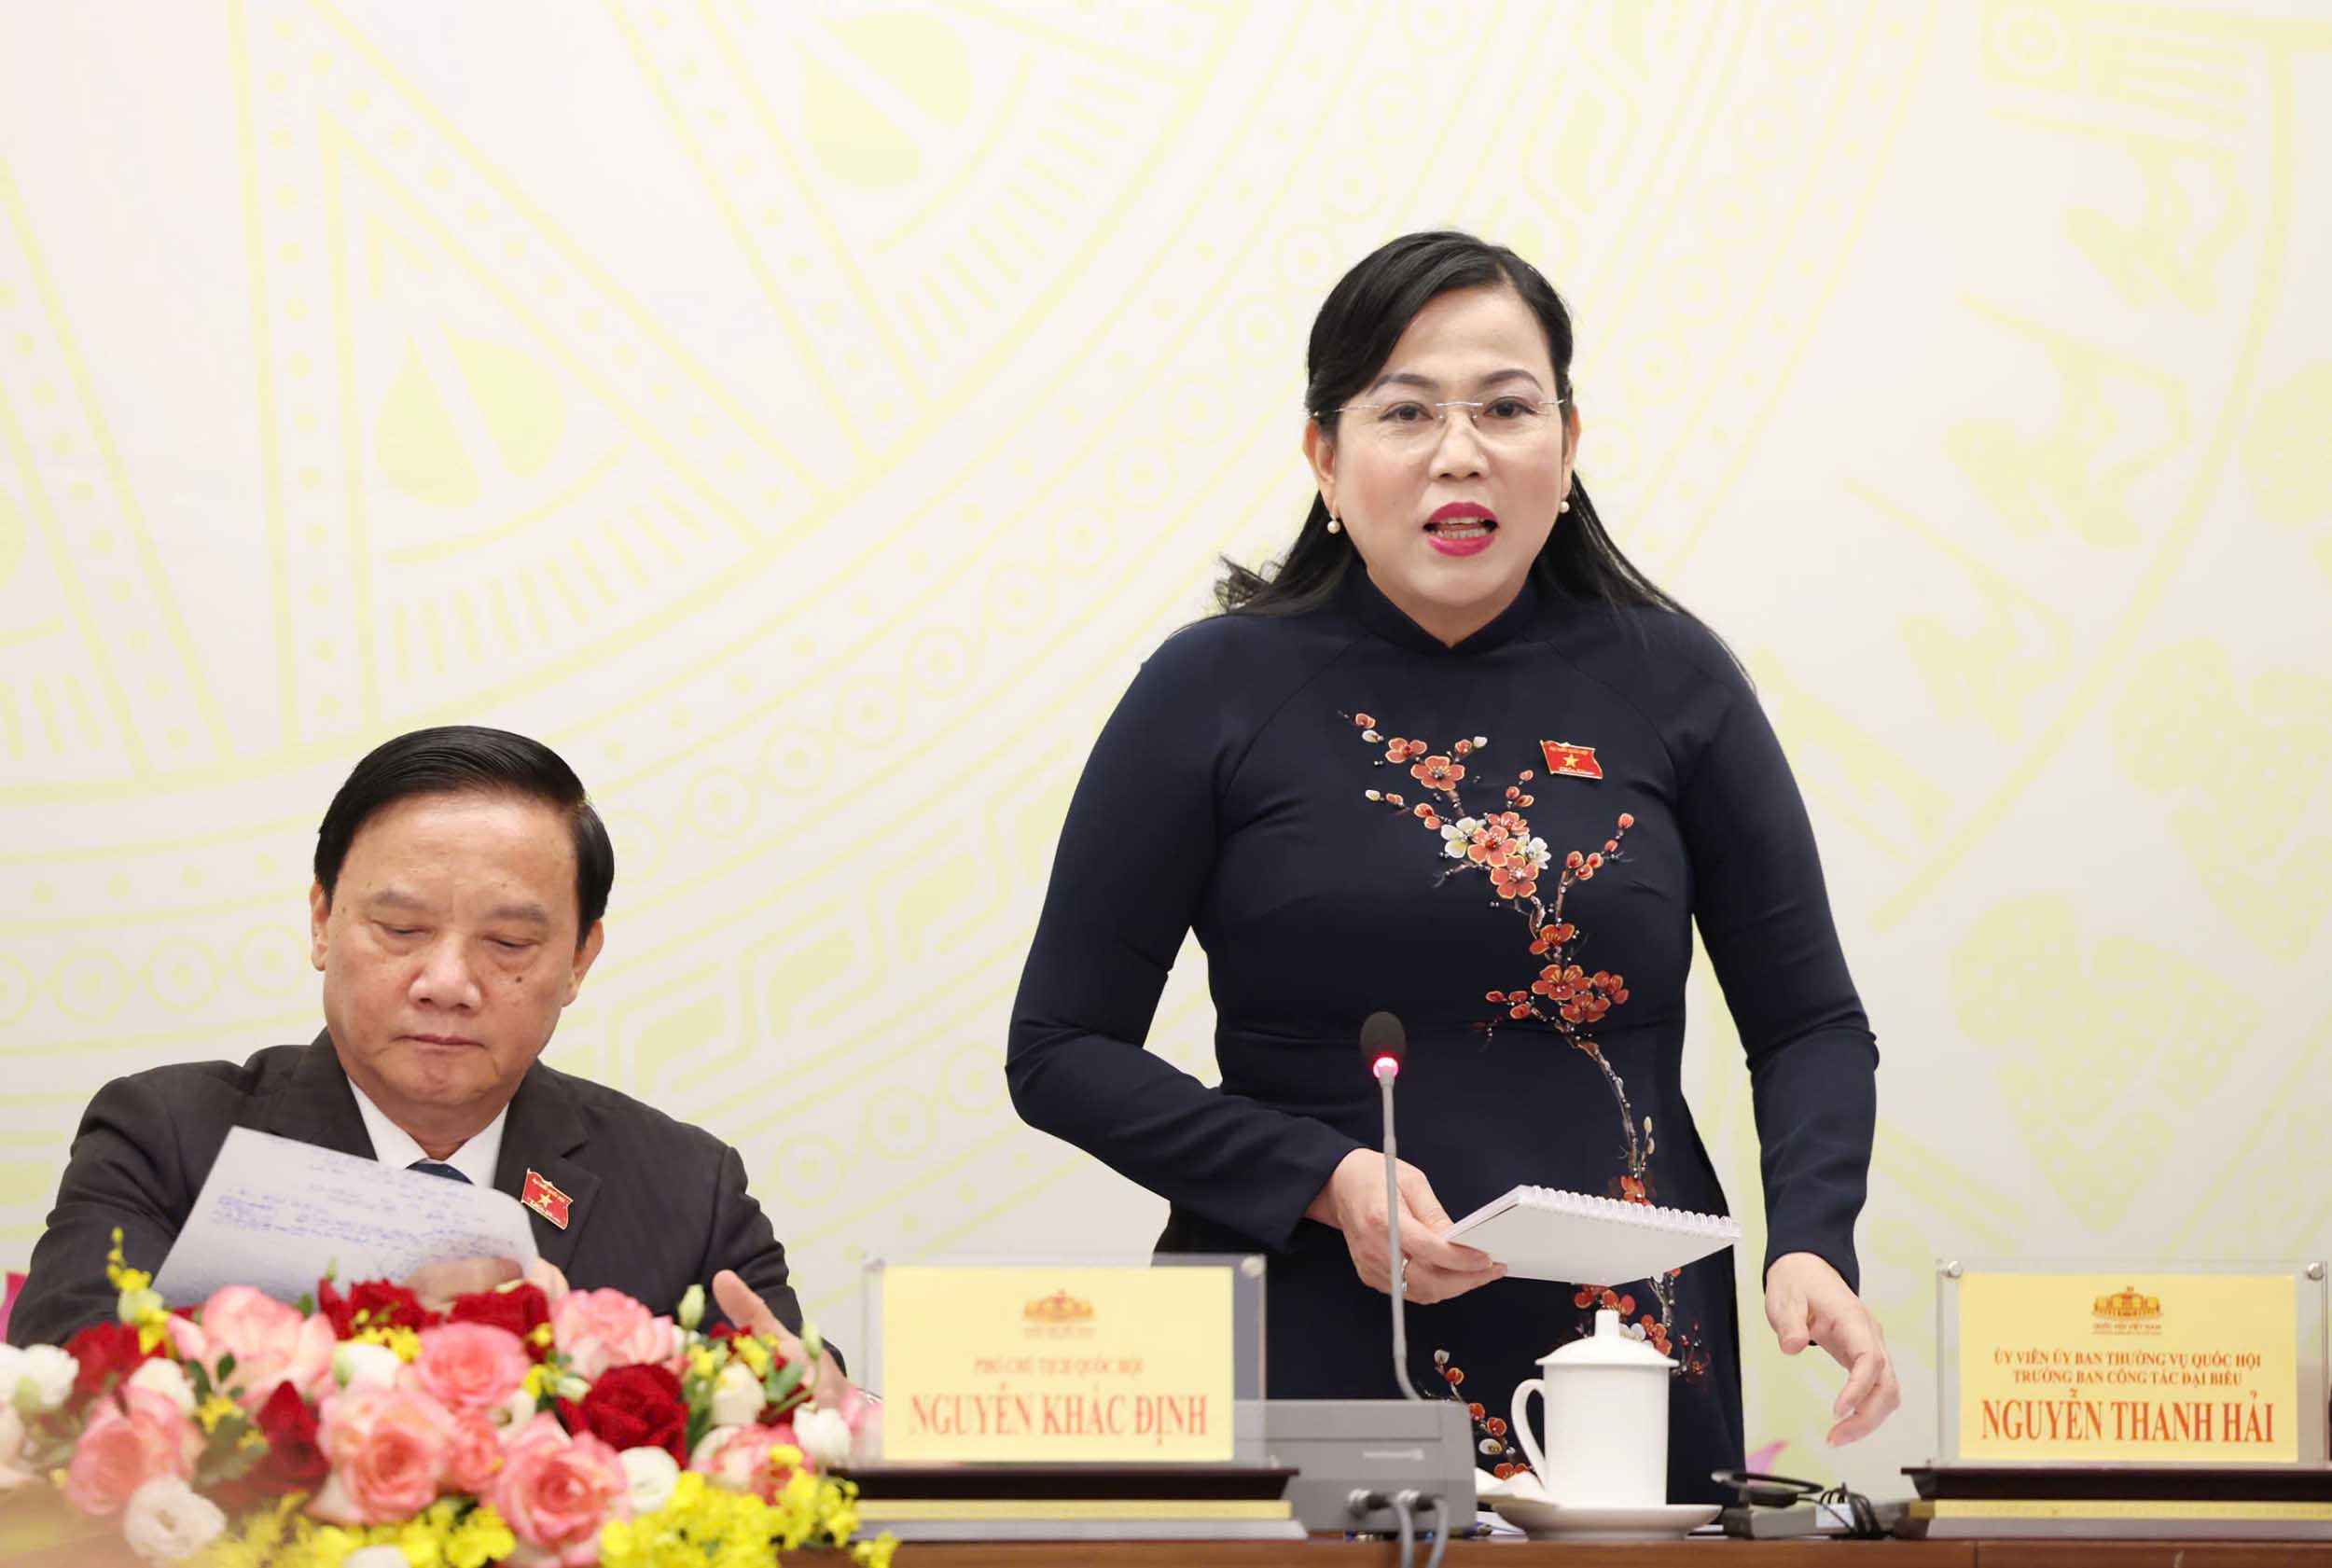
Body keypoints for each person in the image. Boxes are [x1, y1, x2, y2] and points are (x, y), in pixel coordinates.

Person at [1006, 231, 1895, 1502]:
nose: (1459, 450)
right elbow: (1058, 1048)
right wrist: (1319, 1179)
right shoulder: (1210, 691)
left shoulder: (1674, 680)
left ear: (1569, 444)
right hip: (1302, 1330)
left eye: (1505, 407)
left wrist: (1813, 1239)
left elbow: (1808, 1018)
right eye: (1406, 410)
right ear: (1324, 453)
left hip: (1622, 1348)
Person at [9, 725, 843, 1396]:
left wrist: (817, 1403)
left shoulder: (683, 1187)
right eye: (401, 930)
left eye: (509, 942)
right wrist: (388, 1331)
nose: (447, 983)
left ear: (581, 958)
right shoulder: (170, 1135)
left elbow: (798, 1394)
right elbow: (67, 1377)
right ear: (321, 920)